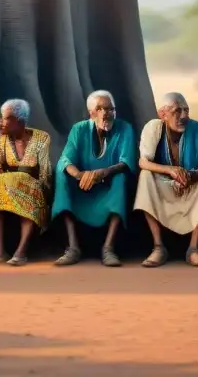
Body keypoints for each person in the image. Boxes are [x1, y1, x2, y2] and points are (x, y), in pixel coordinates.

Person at [51, 90, 137, 267]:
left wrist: (102, 173)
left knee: (120, 178)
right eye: (100, 108)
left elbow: (126, 161)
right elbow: (66, 159)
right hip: (83, 187)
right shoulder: (79, 129)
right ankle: (73, 247)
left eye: (109, 109)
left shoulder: (125, 128)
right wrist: (80, 175)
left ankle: (108, 248)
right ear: (91, 112)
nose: (105, 113)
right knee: (61, 174)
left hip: (108, 184)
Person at [134, 92, 198, 268]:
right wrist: (171, 171)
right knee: (145, 176)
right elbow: (143, 162)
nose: (184, 116)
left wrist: (191, 176)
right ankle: (158, 247)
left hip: (190, 184)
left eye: (186, 110)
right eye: (177, 111)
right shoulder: (153, 127)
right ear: (162, 114)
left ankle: (193, 249)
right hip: (164, 184)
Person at [0, 99, 53, 267]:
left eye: (6, 118)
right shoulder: (2, 139)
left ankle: (21, 252)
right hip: (7, 185)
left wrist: (46, 189)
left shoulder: (41, 137)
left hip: (32, 186)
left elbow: (45, 170)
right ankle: (0, 251)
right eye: (1, 117)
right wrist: (4, 178)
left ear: (19, 120)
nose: (1, 122)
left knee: (26, 186)